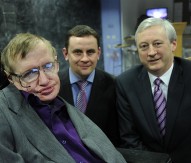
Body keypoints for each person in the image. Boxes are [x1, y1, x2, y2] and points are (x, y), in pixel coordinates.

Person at [0, 33, 126, 163]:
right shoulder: (5, 110)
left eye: (48, 66)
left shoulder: (62, 105)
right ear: (11, 78)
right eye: (29, 74)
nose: (44, 80)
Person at [116, 17, 191, 163]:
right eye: (144, 46)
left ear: (173, 44)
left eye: (157, 44)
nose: (151, 52)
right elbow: (129, 137)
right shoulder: (125, 83)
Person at [59, 25, 119, 146]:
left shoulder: (114, 85)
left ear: (98, 53)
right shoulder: (53, 85)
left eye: (90, 52)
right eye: (78, 52)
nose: (85, 59)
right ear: (65, 54)